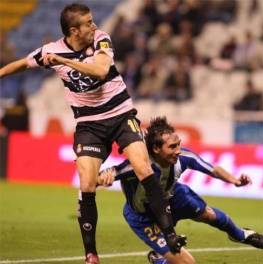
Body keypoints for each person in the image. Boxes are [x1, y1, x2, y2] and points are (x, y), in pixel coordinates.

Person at [0, 4, 183, 264]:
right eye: (88, 23)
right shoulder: (49, 50)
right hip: (89, 125)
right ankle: (91, 254)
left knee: (143, 168)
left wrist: (63, 61)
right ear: (74, 30)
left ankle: (170, 234)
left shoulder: (101, 39)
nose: (94, 25)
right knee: (86, 183)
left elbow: (99, 70)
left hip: (121, 116)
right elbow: (22, 63)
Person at [99, 116, 263, 264]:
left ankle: (240, 235)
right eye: (172, 147)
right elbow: (103, 176)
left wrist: (234, 180)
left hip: (173, 197)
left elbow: (213, 169)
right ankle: (158, 259)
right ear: (156, 149)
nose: (178, 150)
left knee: (209, 214)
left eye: (179, 144)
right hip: (143, 217)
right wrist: (104, 177)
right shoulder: (137, 165)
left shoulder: (183, 157)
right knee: (186, 262)